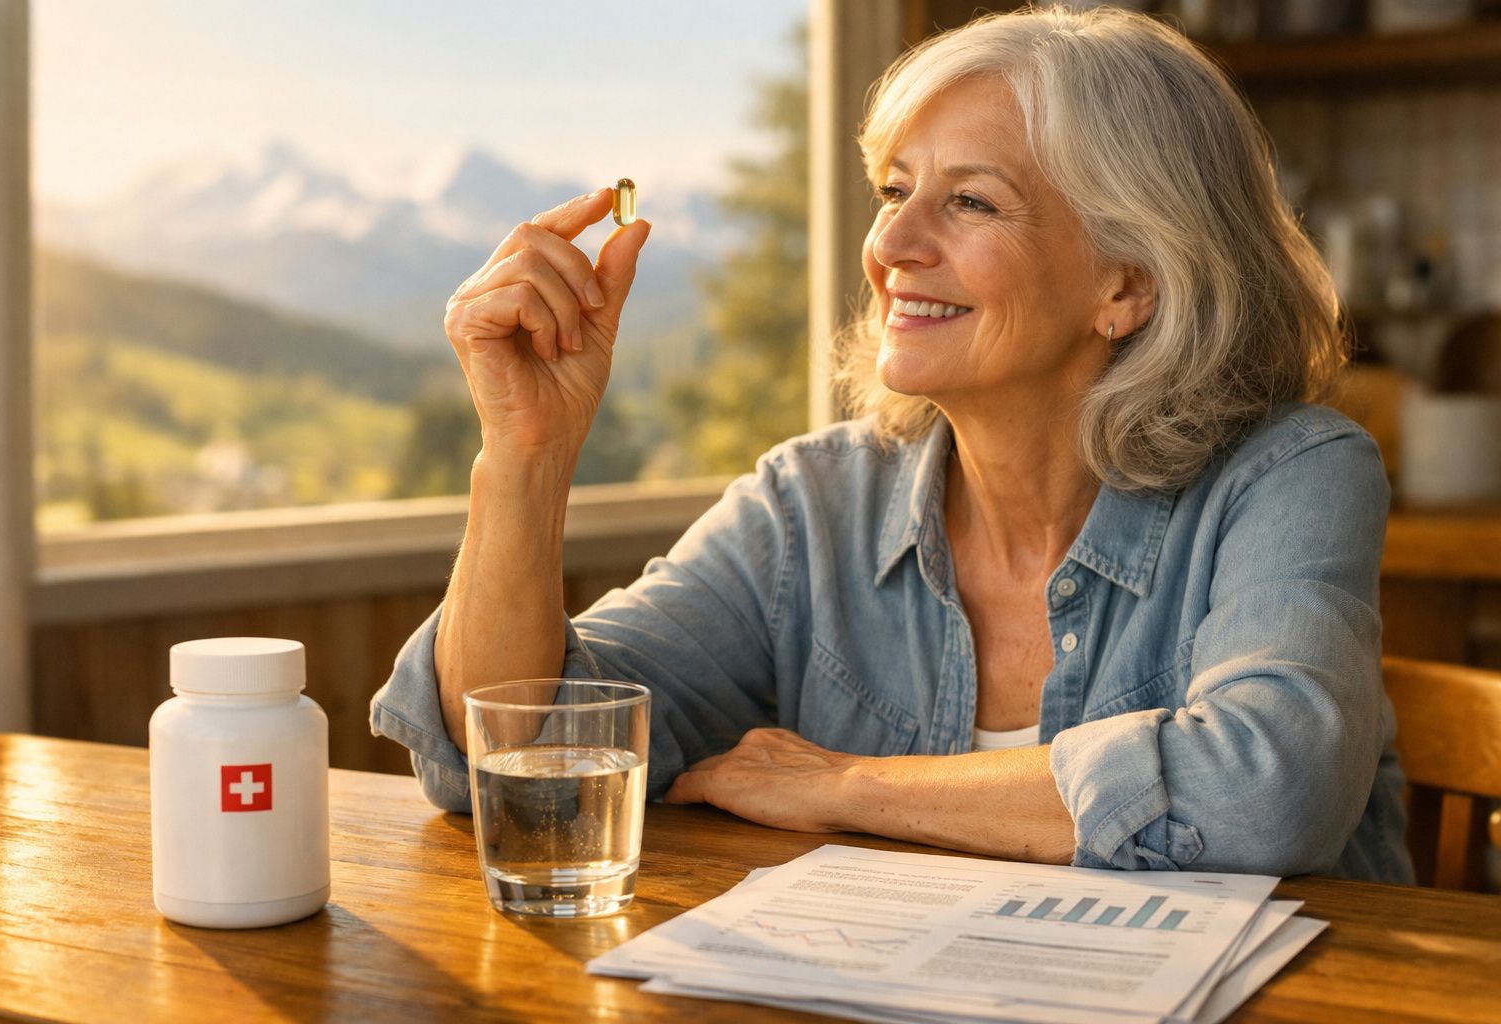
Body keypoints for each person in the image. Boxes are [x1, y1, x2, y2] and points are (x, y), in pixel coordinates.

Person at [371, 5, 1412, 882]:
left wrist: (841, 783)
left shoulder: (1292, 473)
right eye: (893, 191)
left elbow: (1268, 793)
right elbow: (519, 757)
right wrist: (525, 455)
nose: (892, 247)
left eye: (968, 201)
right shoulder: (811, 505)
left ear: (1128, 282)